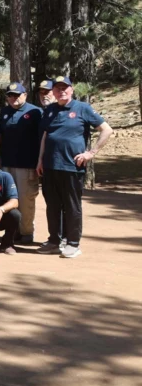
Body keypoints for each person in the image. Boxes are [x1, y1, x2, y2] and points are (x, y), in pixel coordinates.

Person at [36, 76, 113, 258]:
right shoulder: (50, 110)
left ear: (71, 90)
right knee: (52, 205)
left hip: (72, 166)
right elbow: (45, 137)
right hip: (49, 165)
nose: (61, 91)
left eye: (65, 88)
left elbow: (106, 130)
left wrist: (90, 153)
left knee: (72, 206)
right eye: (58, 88)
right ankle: (54, 240)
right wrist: (40, 160)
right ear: (53, 92)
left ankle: (72, 243)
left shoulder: (82, 108)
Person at [0, 82, 43, 245]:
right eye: (10, 95)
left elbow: (42, 139)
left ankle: (26, 232)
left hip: (27, 164)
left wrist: (39, 162)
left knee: (25, 200)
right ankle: (13, 230)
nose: (13, 98)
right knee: (8, 199)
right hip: (6, 163)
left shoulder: (35, 112)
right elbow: (0, 137)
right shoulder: (4, 112)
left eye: (17, 95)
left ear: (25, 95)